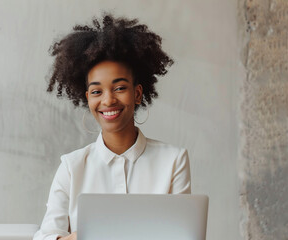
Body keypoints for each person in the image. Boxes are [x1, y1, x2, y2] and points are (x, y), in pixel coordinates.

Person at [33, 13, 191, 240]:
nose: (108, 101)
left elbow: (185, 235)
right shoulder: (71, 167)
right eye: (97, 91)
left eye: (119, 88)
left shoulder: (174, 161)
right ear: (88, 98)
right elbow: (45, 236)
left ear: (137, 94)